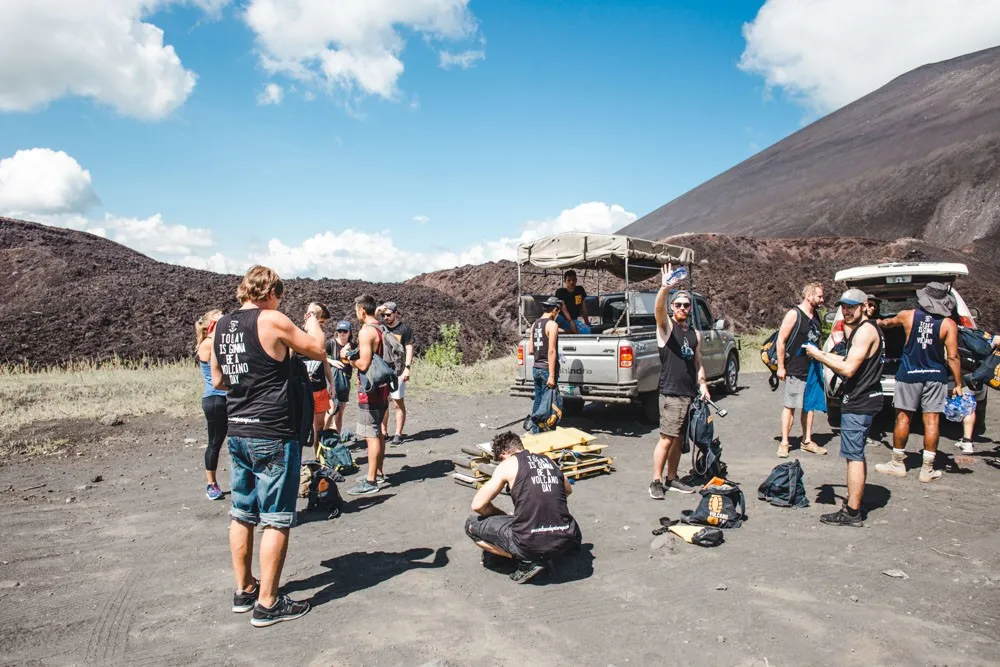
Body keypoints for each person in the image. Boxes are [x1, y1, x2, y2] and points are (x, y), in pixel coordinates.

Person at [210, 265, 326, 627]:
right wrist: (311, 317)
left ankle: (244, 589)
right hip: (273, 431)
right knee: (276, 518)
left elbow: (218, 378)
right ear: (272, 292)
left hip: (238, 428)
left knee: (242, 513)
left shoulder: (222, 326)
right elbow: (318, 349)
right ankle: (268, 603)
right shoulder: (272, 319)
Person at [805, 289, 885, 527]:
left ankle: (852, 512)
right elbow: (848, 360)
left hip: (860, 401)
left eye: (852, 306)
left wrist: (819, 357)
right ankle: (854, 502)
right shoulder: (863, 331)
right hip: (862, 399)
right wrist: (821, 353)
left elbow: (849, 369)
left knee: (853, 456)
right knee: (855, 455)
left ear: (864, 306)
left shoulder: (865, 331)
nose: (847, 311)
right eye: (844, 306)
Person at [465, 431, 582, 584]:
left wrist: (499, 514)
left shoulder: (508, 464)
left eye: (499, 459)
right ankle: (561, 549)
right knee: (560, 518)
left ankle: (527, 560)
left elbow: (478, 505)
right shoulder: (548, 461)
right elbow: (567, 490)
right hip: (564, 539)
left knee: (471, 525)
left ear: (504, 454)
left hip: (529, 543)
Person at [874, 282, 963, 482]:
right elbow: (953, 357)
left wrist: (876, 322)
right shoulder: (948, 324)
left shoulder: (908, 315)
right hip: (935, 376)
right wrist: (958, 383)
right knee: (932, 421)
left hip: (909, 374)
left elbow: (887, 324)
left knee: (903, 418)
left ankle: (897, 463)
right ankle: (927, 469)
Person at [649, 264, 711, 500]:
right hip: (671, 393)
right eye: (678, 304)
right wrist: (665, 288)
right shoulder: (666, 328)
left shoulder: (695, 334)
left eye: (686, 304)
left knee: (678, 441)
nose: (683, 308)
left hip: (689, 394)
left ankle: (672, 478)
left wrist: (703, 384)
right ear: (672, 308)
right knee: (666, 438)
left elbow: (698, 362)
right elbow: (657, 310)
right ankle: (656, 481)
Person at [346, 294, 391, 495]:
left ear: (362, 310)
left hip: (370, 390)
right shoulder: (381, 328)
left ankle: (371, 481)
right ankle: (378, 473)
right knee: (378, 432)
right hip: (383, 388)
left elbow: (364, 364)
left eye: (356, 309)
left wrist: (347, 359)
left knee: (370, 435)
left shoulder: (366, 332)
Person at [775, 282, 826, 458]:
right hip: (795, 368)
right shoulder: (794, 314)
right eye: (819, 296)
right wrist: (781, 367)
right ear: (808, 296)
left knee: (809, 406)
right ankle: (784, 442)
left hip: (812, 369)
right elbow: (781, 340)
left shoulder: (816, 316)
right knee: (790, 406)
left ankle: (807, 440)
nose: (822, 299)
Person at [195, 309, 227, 501]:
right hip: (215, 398)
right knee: (215, 442)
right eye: (217, 314)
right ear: (209, 323)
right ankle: (211, 484)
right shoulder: (208, 344)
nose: (222, 314)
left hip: (230, 397)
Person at [299, 302, 334, 458]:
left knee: (319, 426)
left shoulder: (320, 338)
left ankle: (318, 457)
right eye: (321, 320)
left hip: (319, 389)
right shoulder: (297, 334)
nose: (322, 325)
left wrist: (331, 383)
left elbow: (324, 361)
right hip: (302, 390)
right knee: (300, 427)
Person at [378, 302, 415, 446]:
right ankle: (384, 431)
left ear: (395, 313)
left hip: (398, 369)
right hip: (383, 369)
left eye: (388, 314)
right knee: (383, 402)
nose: (385, 317)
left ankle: (398, 434)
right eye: (383, 315)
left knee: (397, 402)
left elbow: (409, 347)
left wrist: (407, 368)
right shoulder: (381, 328)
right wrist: (378, 310)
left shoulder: (404, 329)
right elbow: (368, 320)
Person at [526, 296, 561, 434]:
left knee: (538, 400)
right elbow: (551, 350)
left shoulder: (535, 324)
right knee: (550, 403)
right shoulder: (552, 325)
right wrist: (552, 375)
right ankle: (547, 431)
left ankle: (535, 431)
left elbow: (531, 349)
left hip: (536, 367)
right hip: (547, 369)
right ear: (555, 310)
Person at [325, 320, 353, 434]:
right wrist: (332, 361)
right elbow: (318, 355)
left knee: (340, 411)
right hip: (333, 379)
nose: (342, 333)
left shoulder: (352, 345)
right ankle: (324, 436)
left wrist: (349, 353)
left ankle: (337, 438)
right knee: (332, 410)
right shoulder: (331, 343)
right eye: (339, 331)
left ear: (349, 332)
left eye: (345, 331)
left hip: (345, 380)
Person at [554, 270, 590, 334]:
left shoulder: (579, 290)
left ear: (576, 280)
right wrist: (571, 322)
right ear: (565, 281)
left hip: (574, 320)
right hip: (563, 319)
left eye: (573, 280)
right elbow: (563, 308)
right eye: (569, 280)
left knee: (587, 330)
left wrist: (587, 322)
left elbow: (584, 307)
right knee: (584, 331)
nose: (571, 282)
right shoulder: (560, 292)